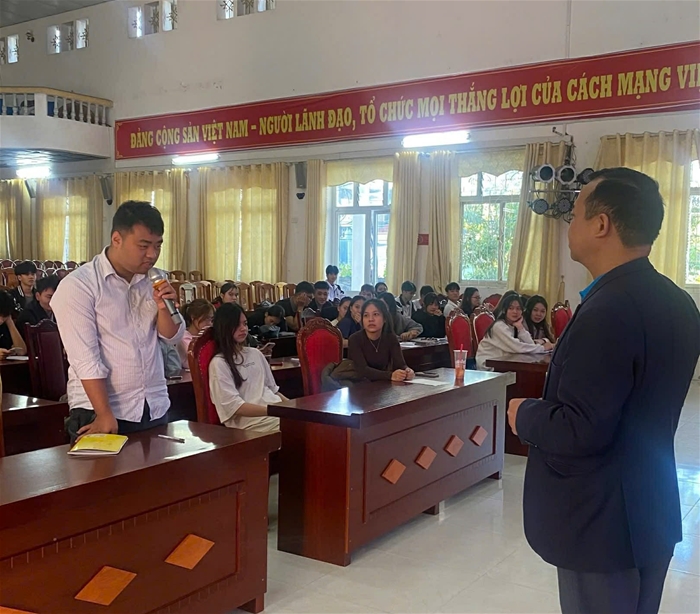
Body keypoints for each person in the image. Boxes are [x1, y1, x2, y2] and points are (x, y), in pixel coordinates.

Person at [508, 168, 700, 614]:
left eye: (575, 215)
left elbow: (581, 429)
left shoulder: (608, 310)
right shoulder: (678, 302)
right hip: (650, 507)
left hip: (601, 523)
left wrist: (524, 413)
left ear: (601, 224)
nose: (569, 226)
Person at [52, 201, 184, 439]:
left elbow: (171, 337)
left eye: (158, 245)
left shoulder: (155, 279)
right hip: (101, 410)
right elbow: (85, 358)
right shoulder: (79, 286)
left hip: (153, 405)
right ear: (117, 239)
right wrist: (104, 413)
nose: (152, 254)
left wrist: (164, 308)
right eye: (143, 246)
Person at [208, 303, 286, 432]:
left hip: (276, 413)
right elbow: (234, 406)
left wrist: (295, 409)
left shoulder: (255, 353)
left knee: (313, 421)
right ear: (224, 327)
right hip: (253, 423)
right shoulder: (219, 363)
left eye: (245, 324)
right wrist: (273, 410)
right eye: (237, 325)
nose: (243, 329)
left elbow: (274, 391)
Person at [475, 293, 552, 369]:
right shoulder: (499, 326)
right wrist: (543, 348)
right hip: (488, 364)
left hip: (506, 361)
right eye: (511, 308)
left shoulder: (514, 325)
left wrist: (520, 327)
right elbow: (517, 347)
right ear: (504, 310)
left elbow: (530, 343)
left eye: (518, 309)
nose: (515, 312)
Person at [347, 298, 415, 382]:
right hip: (358, 385)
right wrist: (390, 375)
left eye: (375, 314)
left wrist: (407, 370)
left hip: (383, 384)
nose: (371, 319)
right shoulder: (355, 339)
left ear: (385, 318)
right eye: (366, 315)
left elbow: (400, 364)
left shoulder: (390, 338)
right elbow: (362, 370)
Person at [177, 298, 215, 368]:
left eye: (211, 319)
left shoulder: (207, 335)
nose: (210, 323)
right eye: (206, 318)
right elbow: (199, 357)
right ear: (193, 317)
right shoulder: (184, 337)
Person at [0, 290, 27, 358]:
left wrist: (10, 322)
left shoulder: (5, 324)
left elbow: (22, 351)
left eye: (4, 316)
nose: (1, 320)